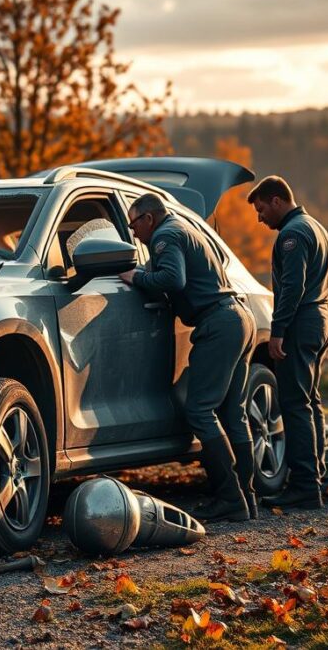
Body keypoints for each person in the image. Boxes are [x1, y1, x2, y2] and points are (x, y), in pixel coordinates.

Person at [119, 193, 257, 522]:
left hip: (218, 325)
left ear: (149, 218)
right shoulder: (185, 227)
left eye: (133, 224)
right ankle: (247, 498)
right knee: (232, 413)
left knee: (200, 410)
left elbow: (172, 279)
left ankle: (229, 498)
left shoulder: (166, 235)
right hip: (238, 317)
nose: (133, 232)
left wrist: (136, 277)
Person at [247, 175, 328, 510]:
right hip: (321, 318)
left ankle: (304, 487)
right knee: (311, 401)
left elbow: (293, 287)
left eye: (261, 208)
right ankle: (315, 477)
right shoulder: (317, 227)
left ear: (277, 200)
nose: (260, 217)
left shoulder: (292, 235)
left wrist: (278, 329)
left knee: (295, 404)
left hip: (300, 322)